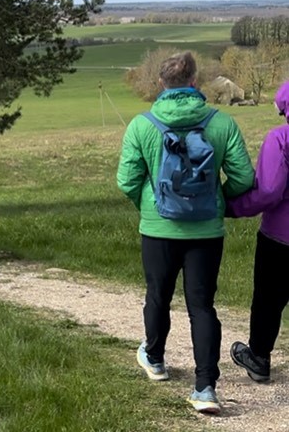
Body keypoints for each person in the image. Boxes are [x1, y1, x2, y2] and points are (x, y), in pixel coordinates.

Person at [116, 51, 253, 415]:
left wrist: (148, 205)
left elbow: (127, 180)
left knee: (158, 296)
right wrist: (217, 201)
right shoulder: (221, 124)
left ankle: (156, 359)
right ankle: (206, 388)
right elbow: (243, 178)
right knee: (202, 306)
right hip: (207, 230)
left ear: (161, 84)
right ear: (195, 83)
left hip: (158, 228)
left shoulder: (142, 125)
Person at [225, 80, 289, 384]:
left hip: (280, 237)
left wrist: (231, 207)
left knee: (268, 299)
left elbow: (268, 192)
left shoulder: (280, 139)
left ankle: (259, 357)